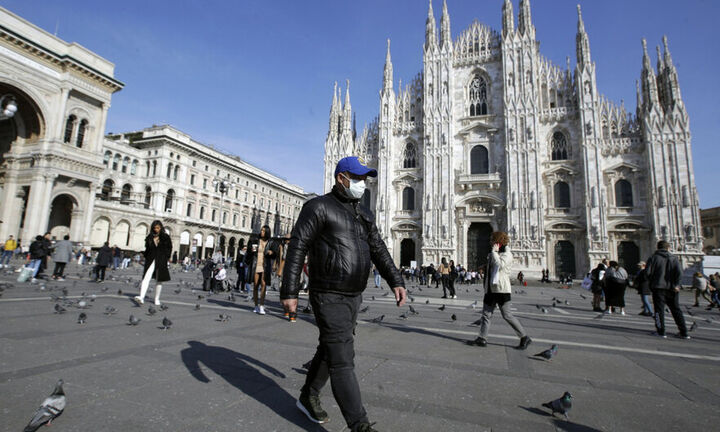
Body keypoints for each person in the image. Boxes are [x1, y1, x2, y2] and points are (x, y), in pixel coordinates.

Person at [280, 156, 406, 432]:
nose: (362, 183)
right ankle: (359, 425)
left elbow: (379, 249)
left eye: (364, 179)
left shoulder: (363, 213)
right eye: (357, 178)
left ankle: (307, 395)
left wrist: (395, 280)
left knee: (331, 346)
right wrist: (289, 290)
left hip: (353, 294)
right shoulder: (318, 207)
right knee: (342, 358)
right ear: (341, 178)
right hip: (327, 293)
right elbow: (297, 246)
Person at [466, 231, 532, 350]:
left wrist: (494, 253)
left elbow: (500, 265)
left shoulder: (507, 254)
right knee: (486, 315)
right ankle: (482, 338)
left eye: (492, 240)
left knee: (507, 315)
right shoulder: (493, 254)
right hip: (491, 289)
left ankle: (524, 336)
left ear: (498, 242)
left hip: (501, 290)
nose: (490, 242)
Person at [645, 241, 688, 339]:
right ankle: (684, 332)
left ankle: (661, 331)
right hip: (672, 288)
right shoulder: (674, 258)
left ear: (657, 247)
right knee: (676, 310)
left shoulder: (653, 258)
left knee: (658, 310)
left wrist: (652, 282)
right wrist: (677, 285)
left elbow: (647, 273)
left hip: (658, 288)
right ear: (668, 248)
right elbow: (680, 273)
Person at [134, 220, 172, 306]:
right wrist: (144, 255)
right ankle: (141, 297)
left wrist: (166, 257)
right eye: (154, 228)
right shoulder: (149, 237)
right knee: (146, 277)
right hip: (150, 260)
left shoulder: (165, 237)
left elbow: (169, 248)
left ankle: (156, 299)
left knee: (159, 280)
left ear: (161, 228)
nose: (156, 229)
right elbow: (147, 249)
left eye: (158, 228)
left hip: (161, 260)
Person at [250, 225, 276, 315]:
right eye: (261, 230)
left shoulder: (271, 242)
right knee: (256, 286)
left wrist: (271, 252)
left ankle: (262, 305)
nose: (262, 232)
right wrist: (252, 250)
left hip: (265, 266)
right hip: (256, 265)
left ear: (267, 232)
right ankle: (256, 305)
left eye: (264, 231)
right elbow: (250, 251)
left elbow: (275, 253)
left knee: (263, 285)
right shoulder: (256, 240)